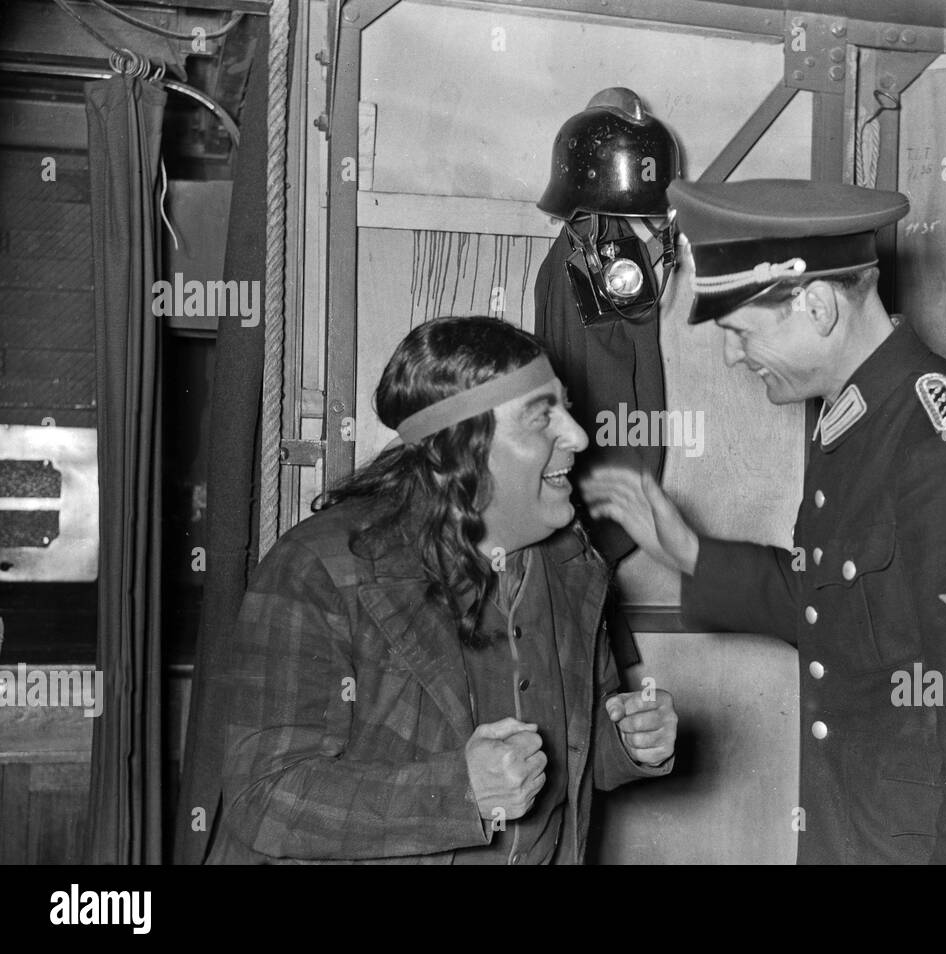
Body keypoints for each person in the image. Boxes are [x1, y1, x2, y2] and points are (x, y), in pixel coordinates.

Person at [582, 179, 946, 864]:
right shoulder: (857, 424)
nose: (733, 355)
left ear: (817, 307)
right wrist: (690, 551)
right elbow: (841, 613)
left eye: (738, 331)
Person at [209, 316, 676, 864]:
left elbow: (563, 754)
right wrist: (458, 793)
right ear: (462, 449)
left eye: (565, 408)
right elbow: (264, 798)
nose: (577, 435)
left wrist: (627, 742)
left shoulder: (571, 566)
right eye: (540, 418)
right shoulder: (321, 569)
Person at [534, 87, 683, 675]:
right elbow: (616, 387)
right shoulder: (600, 253)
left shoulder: (582, 246)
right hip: (604, 483)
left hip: (597, 489)